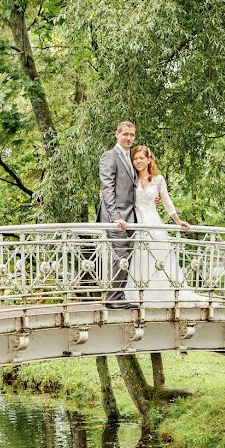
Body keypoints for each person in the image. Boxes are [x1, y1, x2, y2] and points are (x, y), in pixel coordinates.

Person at [126, 145, 207, 307]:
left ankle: (162, 293)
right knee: (140, 258)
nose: (138, 161)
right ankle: (140, 293)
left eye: (141, 158)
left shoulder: (158, 180)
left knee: (158, 258)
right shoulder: (131, 179)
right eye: (135, 158)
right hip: (136, 223)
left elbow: (167, 201)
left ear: (149, 160)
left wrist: (178, 221)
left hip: (153, 222)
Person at [96, 121, 139, 309]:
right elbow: (107, 189)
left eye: (132, 135)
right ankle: (113, 298)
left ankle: (118, 296)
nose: (129, 138)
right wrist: (115, 217)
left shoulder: (130, 158)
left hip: (130, 217)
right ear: (117, 135)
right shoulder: (110, 156)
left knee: (125, 256)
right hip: (115, 217)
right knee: (121, 255)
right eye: (125, 134)